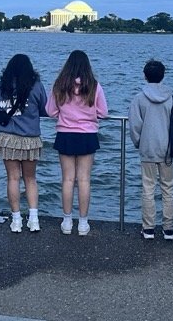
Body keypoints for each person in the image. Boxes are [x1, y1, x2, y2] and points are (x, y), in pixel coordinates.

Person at [46, 50, 108, 236]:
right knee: (84, 179)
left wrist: (63, 114)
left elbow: (50, 111)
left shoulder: (60, 85)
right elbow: (103, 112)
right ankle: (82, 223)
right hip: (87, 135)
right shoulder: (94, 86)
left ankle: (66, 221)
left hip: (65, 133)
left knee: (67, 179)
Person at [0, 54, 48, 233]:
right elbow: (44, 108)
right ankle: (34, 219)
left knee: (13, 178)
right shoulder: (36, 86)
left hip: (8, 137)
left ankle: (16, 220)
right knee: (30, 179)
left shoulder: (1, 87)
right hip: (30, 138)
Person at [128, 59, 173, 241]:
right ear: (163, 75)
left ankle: (148, 228)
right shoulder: (172, 97)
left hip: (148, 148)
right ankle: (168, 229)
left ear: (145, 76)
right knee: (168, 188)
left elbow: (135, 126)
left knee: (148, 188)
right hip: (167, 149)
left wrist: (139, 143)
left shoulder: (139, 98)